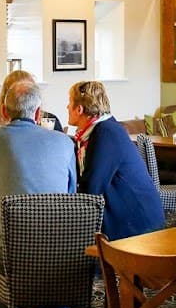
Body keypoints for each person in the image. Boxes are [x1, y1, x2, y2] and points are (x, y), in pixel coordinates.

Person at [0, 77, 78, 308]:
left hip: (9, 247)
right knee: (58, 249)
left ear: (4, 111)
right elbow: (70, 195)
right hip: (59, 250)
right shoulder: (64, 142)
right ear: (38, 112)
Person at [67, 80, 166, 240]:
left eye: (69, 103)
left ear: (79, 109)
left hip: (139, 226)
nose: (67, 107)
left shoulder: (107, 133)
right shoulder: (98, 131)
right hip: (124, 218)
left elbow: (92, 188)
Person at [0, 70, 65, 151]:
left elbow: (61, 152)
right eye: (15, 95)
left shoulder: (49, 121)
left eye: (28, 95)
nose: (22, 100)